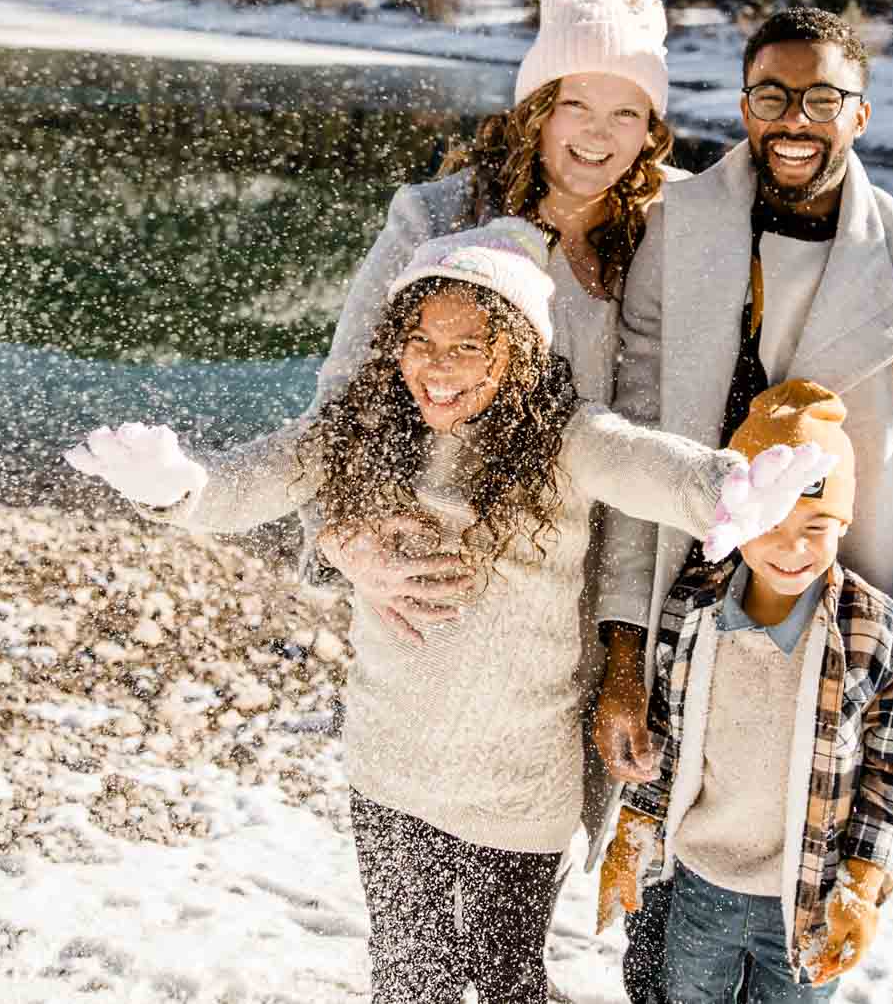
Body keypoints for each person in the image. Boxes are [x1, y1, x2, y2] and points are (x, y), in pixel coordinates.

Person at [65, 220, 833, 1004]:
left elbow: (640, 461)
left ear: (520, 352)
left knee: (507, 982)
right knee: (407, 977)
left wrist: (722, 487)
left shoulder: (563, 439)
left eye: (470, 346)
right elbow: (244, 483)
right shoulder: (357, 432)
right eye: (422, 341)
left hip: (518, 782)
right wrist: (176, 488)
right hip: (393, 765)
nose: (437, 367)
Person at [590, 6, 893, 1002]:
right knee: (657, 929)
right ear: (742, 106)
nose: (794, 118)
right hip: (692, 617)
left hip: (835, 620)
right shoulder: (676, 226)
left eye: (821, 98)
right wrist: (624, 650)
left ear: (859, 113)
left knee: (812, 892)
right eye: (772, 96)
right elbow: (636, 449)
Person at [310, 0, 679, 642]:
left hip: (613, 596)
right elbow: (341, 395)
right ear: (538, 107)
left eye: (626, 112)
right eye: (576, 106)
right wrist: (347, 539)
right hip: (455, 580)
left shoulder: (667, 225)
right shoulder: (438, 215)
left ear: (650, 127)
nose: (599, 135)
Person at [596, 380, 893, 1002]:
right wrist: (633, 832)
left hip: (808, 899)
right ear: (734, 514)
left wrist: (862, 884)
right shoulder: (693, 608)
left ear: (846, 521)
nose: (793, 548)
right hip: (700, 884)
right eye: (770, 521)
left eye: (817, 525)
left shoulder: (882, 636)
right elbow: (664, 732)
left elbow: (889, 776)